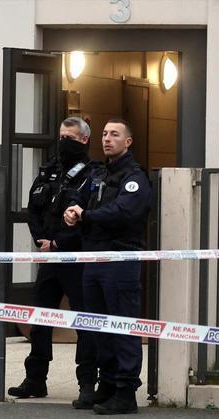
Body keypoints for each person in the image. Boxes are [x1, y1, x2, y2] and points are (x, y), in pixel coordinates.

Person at [64, 118, 152, 415]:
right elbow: (78, 197)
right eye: (104, 134)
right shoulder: (97, 173)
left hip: (120, 260)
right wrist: (72, 210)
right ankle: (109, 384)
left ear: (128, 142)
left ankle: (126, 393)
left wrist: (86, 215)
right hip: (94, 260)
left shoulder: (135, 177)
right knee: (99, 327)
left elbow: (124, 212)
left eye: (115, 134)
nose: (107, 138)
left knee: (123, 328)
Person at [7, 117, 98, 401]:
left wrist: (58, 243)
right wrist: (41, 242)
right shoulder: (48, 172)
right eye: (60, 137)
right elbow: (33, 210)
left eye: (69, 138)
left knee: (84, 322)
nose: (63, 143)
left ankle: (86, 385)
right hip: (49, 258)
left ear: (84, 140)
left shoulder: (92, 176)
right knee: (41, 319)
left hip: (76, 258)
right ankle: (35, 379)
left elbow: (89, 219)